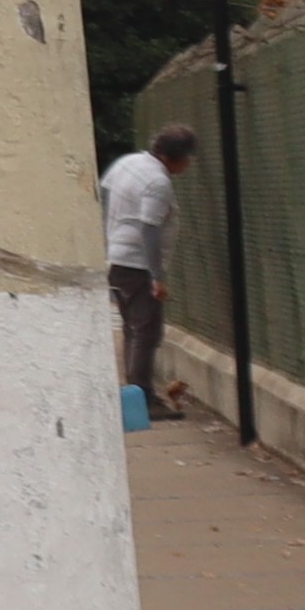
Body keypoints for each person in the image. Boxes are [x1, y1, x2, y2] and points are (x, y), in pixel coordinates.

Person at [103, 126, 197, 412]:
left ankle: (135, 393)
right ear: (174, 158)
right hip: (137, 264)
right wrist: (157, 275)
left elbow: (104, 195)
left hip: (117, 257)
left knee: (133, 329)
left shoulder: (128, 163)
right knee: (147, 332)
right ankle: (143, 399)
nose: (189, 164)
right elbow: (150, 227)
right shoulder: (158, 182)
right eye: (188, 158)